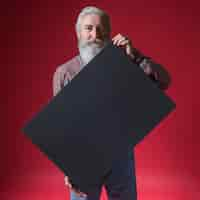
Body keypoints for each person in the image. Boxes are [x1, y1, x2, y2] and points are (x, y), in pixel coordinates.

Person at [53, 6, 170, 200]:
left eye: (100, 28)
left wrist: (136, 56)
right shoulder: (64, 72)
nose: (95, 34)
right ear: (78, 33)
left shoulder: (125, 63)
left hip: (120, 156)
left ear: (109, 32)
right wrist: (68, 168)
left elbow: (164, 82)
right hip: (84, 158)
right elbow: (60, 126)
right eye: (88, 28)